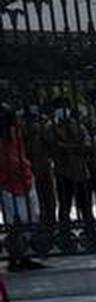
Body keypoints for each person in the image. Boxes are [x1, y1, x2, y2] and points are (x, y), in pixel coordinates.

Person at [0, 104, 48, 271]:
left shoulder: (15, 134)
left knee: (30, 217)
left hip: (24, 179)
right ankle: (16, 257)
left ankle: (25, 255)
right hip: (8, 182)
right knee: (15, 220)